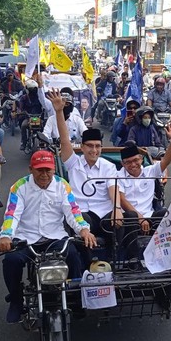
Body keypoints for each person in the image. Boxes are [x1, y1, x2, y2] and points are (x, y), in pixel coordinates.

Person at [0, 150, 96, 323]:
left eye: (48, 170)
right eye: (39, 170)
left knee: (72, 255)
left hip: (55, 237)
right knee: (11, 261)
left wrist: (83, 230)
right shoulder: (19, 186)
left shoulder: (62, 185)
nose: (44, 174)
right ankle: (16, 300)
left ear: (54, 169)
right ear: (31, 169)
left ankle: (75, 296)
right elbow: (12, 214)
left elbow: (73, 212)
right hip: (26, 237)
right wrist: (6, 236)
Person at [51, 90, 125, 250]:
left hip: (104, 212)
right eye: (90, 146)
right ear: (82, 147)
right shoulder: (73, 163)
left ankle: (118, 263)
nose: (94, 150)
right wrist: (59, 112)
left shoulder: (109, 166)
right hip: (82, 212)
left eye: (98, 146)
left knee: (122, 220)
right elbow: (64, 140)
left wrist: (117, 209)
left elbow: (114, 189)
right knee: (82, 222)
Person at [117, 124, 171, 252]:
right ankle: (133, 260)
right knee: (131, 216)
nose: (133, 165)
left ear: (141, 159)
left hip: (150, 216)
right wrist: (140, 218)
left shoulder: (150, 171)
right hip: (129, 219)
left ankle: (165, 256)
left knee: (166, 213)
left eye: (135, 160)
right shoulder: (118, 176)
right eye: (128, 162)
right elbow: (122, 200)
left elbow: (166, 161)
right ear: (123, 164)